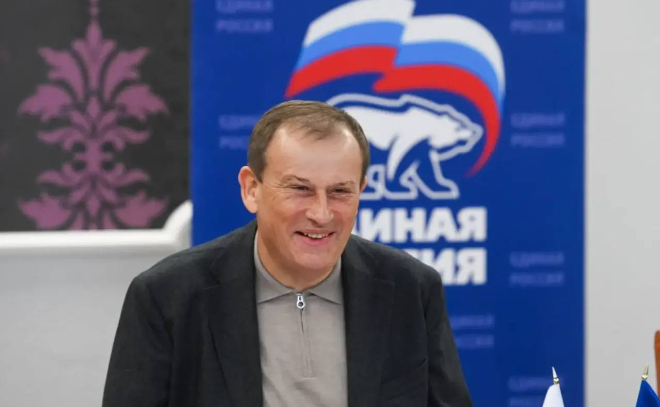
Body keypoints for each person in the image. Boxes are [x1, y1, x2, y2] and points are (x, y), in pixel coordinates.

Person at [102, 101, 472, 407]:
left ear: (361, 190)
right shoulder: (167, 297)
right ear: (251, 189)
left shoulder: (411, 289)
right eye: (300, 189)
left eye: (340, 192)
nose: (322, 213)